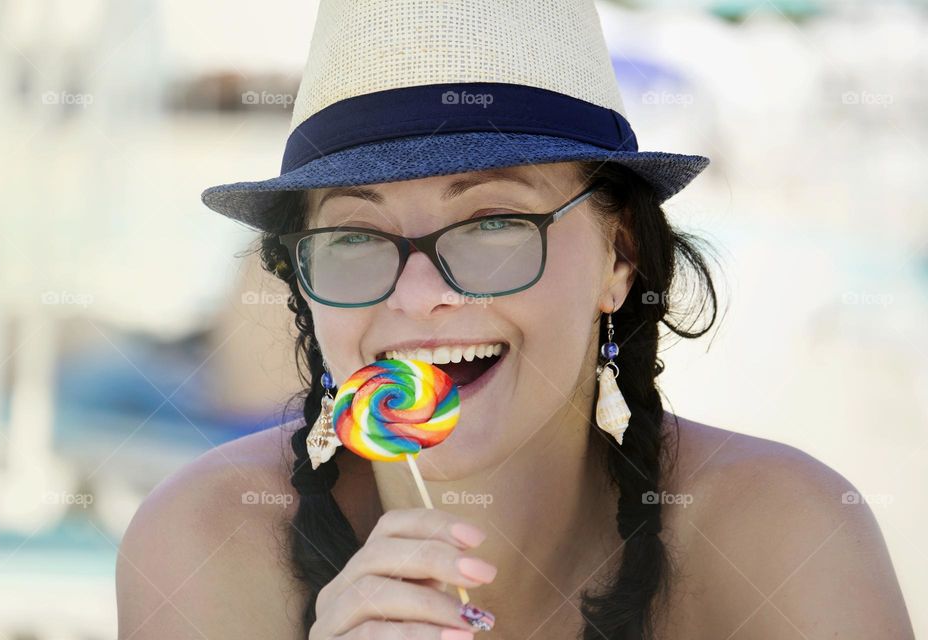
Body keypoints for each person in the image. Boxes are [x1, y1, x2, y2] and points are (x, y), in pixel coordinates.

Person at [116, 1, 914, 638]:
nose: (419, 294)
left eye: (495, 223)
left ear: (619, 258)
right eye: (356, 235)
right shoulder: (205, 541)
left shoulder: (787, 537)